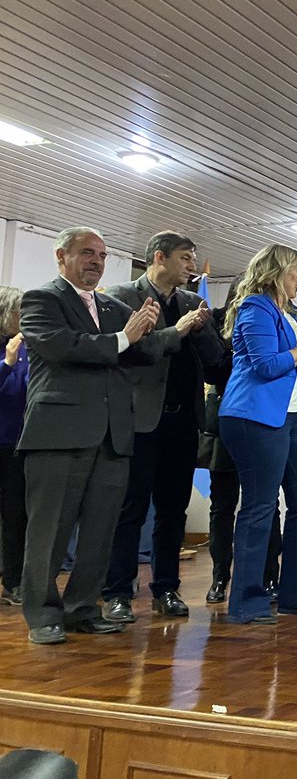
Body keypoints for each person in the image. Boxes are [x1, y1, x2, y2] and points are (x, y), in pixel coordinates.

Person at [18, 227, 165, 643]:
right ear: (61, 256)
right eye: (87, 253)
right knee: (49, 531)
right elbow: (63, 347)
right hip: (59, 435)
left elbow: (142, 353)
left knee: (101, 531)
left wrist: (152, 330)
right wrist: (124, 338)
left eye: (101, 255)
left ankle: (82, 608)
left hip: (112, 436)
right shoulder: (42, 299)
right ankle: (43, 615)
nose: (96, 262)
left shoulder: (114, 307)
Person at [100, 233, 223, 623]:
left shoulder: (193, 302)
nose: (192, 266)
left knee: (173, 511)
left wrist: (202, 331)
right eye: (185, 258)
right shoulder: (120, 297)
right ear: (160, 257)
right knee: (130, 510)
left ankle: (167, 588)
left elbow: (216, 362)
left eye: (193, 258)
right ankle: (118, 592)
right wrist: (179, 330)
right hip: (140, 423)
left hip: (183, 422)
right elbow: (131, 352)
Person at [218, 244, 297, 624]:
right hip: (256, 417)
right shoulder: (255, 307)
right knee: (260, 505)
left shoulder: (291, 313)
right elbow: (266, 365)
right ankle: (247, 603)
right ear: (278, 272)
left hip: (296, 418)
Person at [203, 277, 282, 605]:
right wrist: (248, 357)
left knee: (267, 503)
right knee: (222, 504)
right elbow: (213, 369)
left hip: (263, 418)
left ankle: (269, 576)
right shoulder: (216, 320)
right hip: (228, 420)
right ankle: (220, 575)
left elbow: (275, 364)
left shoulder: (275, 318)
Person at [0, 286, 29, 606]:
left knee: (15, 516)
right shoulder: (10, 350)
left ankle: (13, 581)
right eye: (18, 311)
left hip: (17, 444)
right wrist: (7, 363)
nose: (23, 318)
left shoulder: (27, 346)